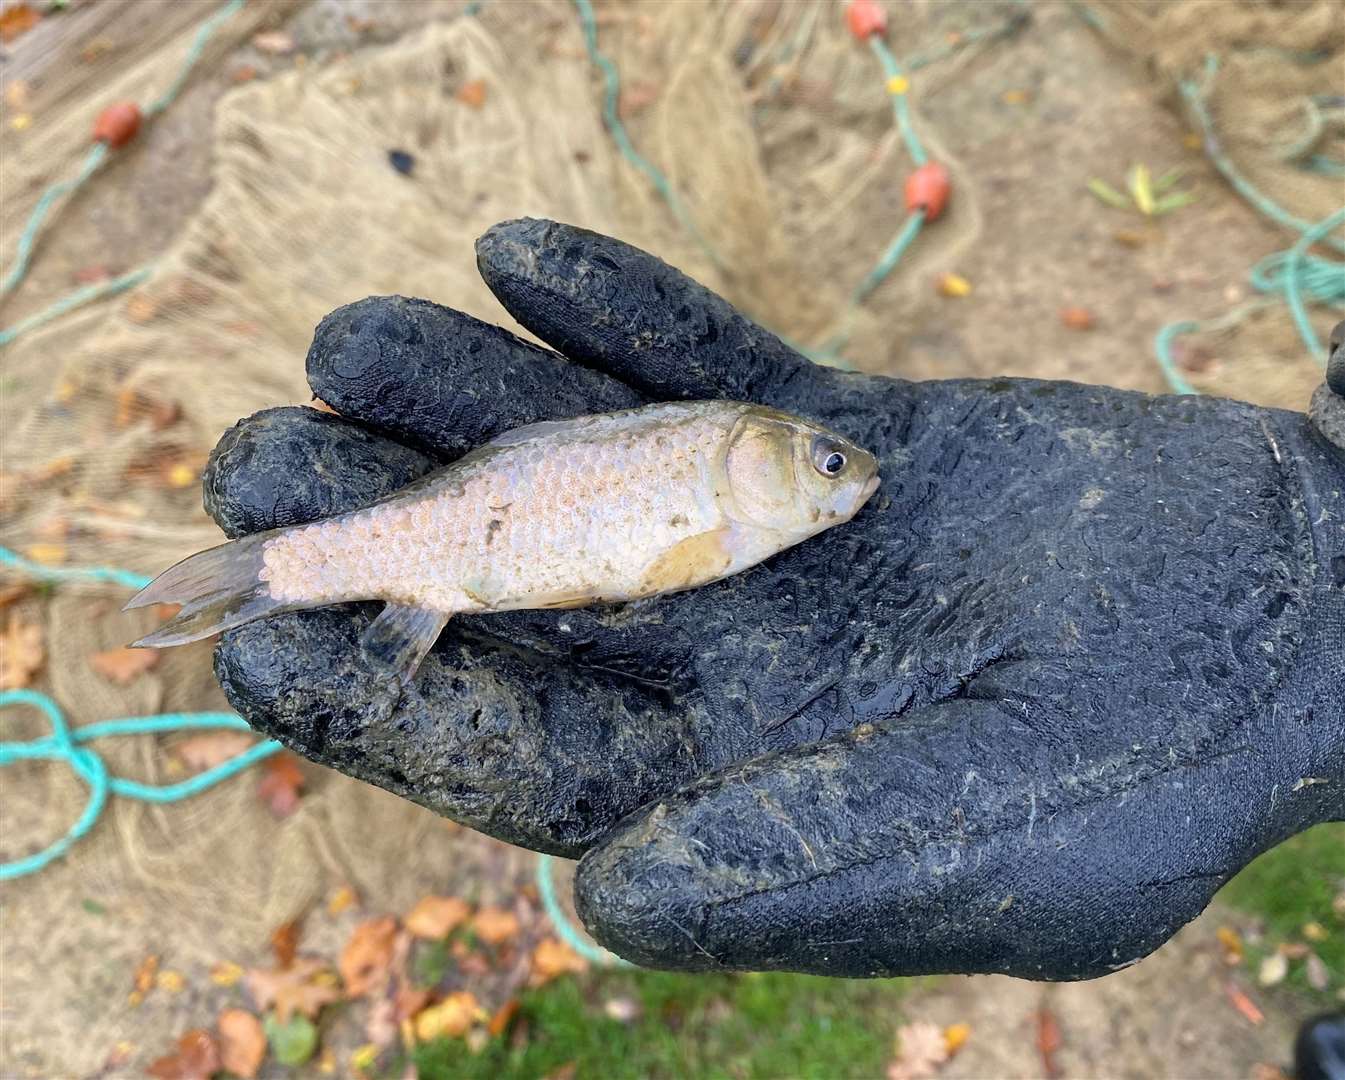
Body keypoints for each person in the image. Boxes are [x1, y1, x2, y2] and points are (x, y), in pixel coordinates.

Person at [203, 218, 1343, 979]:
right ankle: (288, 568)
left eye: (831, 467)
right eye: (826, 466)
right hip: (488, 529)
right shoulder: (722, 471)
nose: (846, 479)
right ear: (750, 462)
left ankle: (296, 569)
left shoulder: (740, 482)